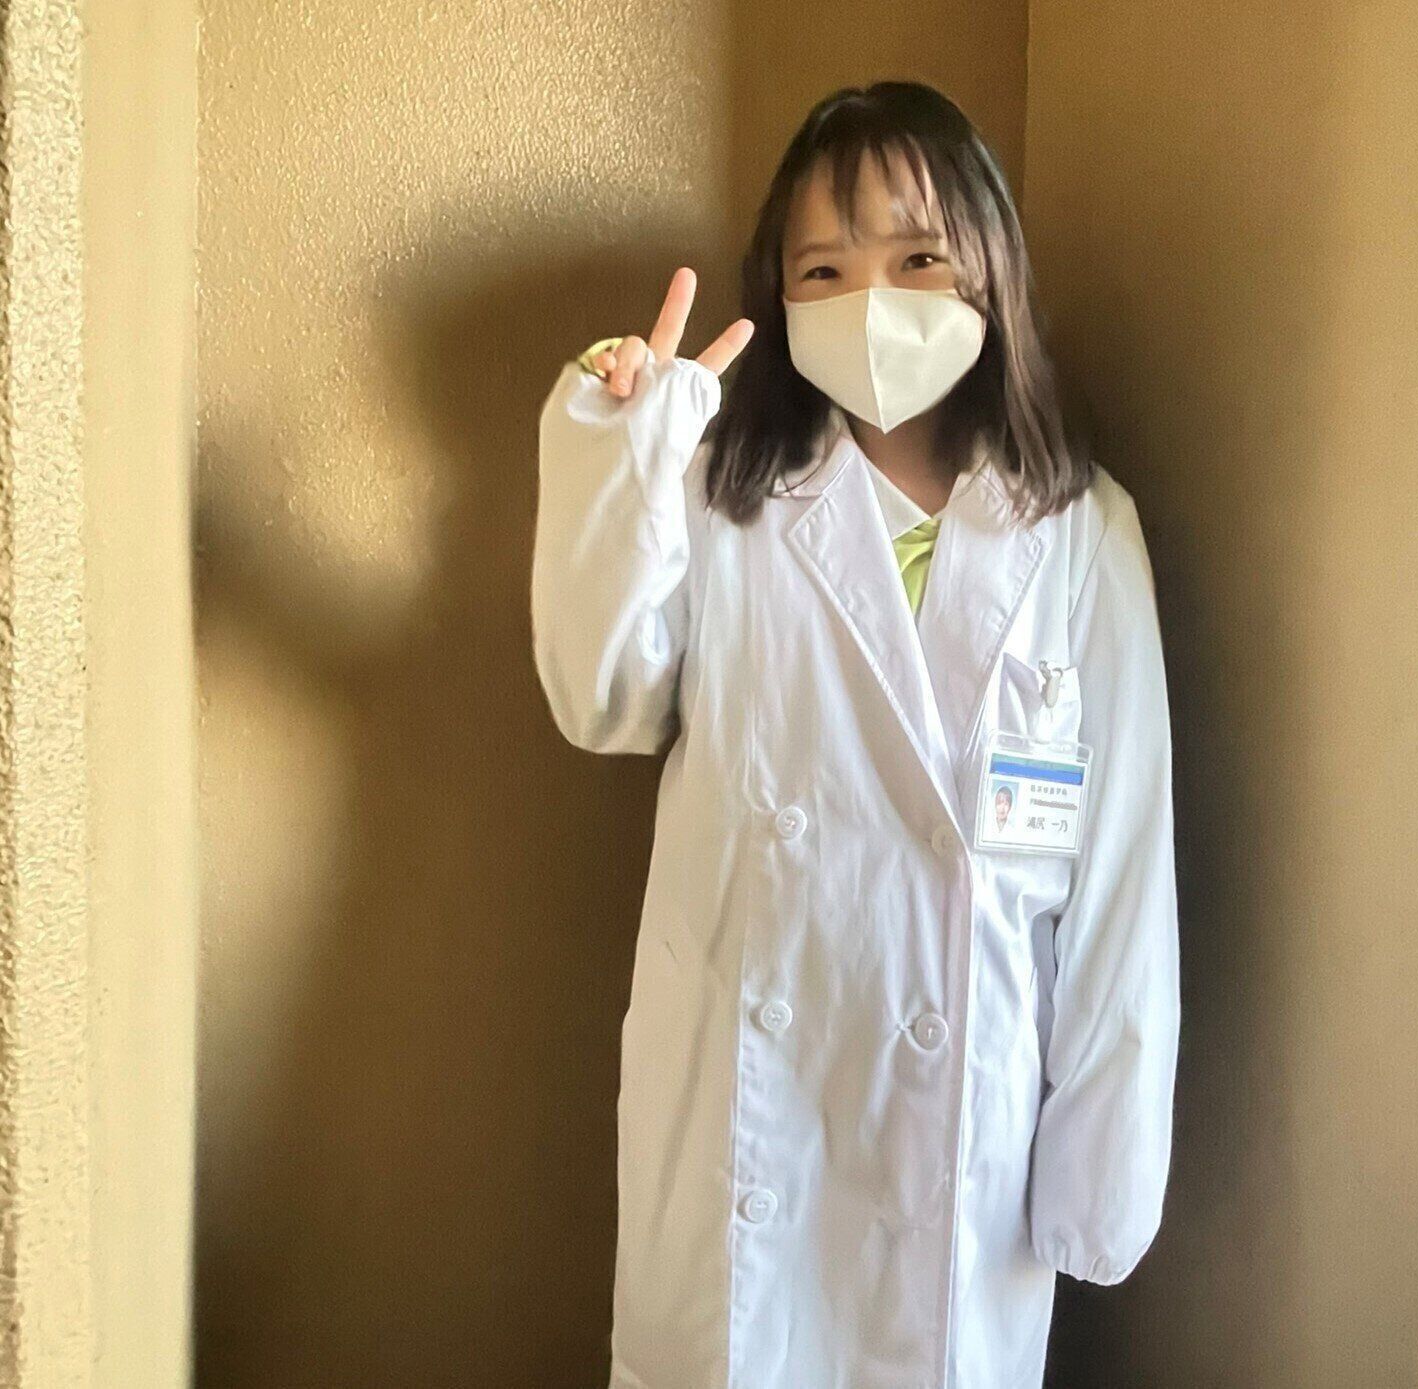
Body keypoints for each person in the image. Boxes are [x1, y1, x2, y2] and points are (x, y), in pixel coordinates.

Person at [532, 79, 1179, 1389]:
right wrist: (626, 452)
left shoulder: (1081, 532)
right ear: (777, 298)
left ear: (989, 269)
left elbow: (1124, 875)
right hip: (752, 1134)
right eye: (822, 269)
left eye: (917, 257)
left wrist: (1100, 1174)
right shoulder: (722, 497)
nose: (870, 301)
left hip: (963, 1154)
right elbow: (602, 698)